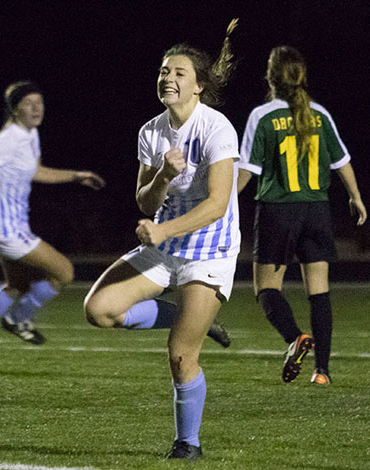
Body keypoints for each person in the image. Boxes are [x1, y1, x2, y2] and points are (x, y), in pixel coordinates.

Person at [83, 19, 240, 462]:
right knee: (99, 310)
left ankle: (187, 444)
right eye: (163, 72)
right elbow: (144, 197)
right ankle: (191, 316)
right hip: (165, 247)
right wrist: (165, 176)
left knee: (179, 355)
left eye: (178, 73)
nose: (167, 78)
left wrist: (164, 227)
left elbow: (217, 204)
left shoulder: (217, 129)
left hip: (209, 250)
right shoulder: (151, 131)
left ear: (199, 87)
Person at [237, 46, 367, 385]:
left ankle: (295, 337)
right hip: (317, 211)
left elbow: (247, 170)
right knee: (319, 292)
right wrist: (355, 197)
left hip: (278, 211)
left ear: (270, 77)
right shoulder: (319, 114)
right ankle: (322, 371)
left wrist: (218, 204)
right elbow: (342, 161)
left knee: (266, 288)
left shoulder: (262, 116)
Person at [0, 81, 105, 352]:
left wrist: (76, 175)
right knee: (64, 272)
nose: (37, 108)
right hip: (5, 229)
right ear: (14, 110)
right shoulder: (10, 138)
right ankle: (17, 319)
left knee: (17, 285)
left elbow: (36, 172)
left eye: (40, 102)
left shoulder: (29, 134)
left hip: (6, 227)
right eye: (28, 103)